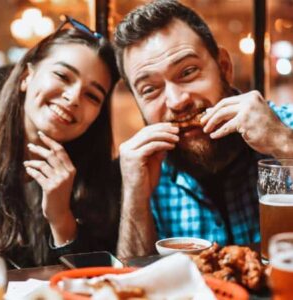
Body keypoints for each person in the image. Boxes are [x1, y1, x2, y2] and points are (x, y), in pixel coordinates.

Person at [113, 0, 293, 257]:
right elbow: (134, 288)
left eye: (188, 72)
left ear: (224, 67)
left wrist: (284, 144)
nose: (176, 101)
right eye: (150, 89)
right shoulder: (143, 170)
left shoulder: (286, 125)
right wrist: (135, 195)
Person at [0, 16, 120, 268]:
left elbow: (94, 283)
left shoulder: (101, 183)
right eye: (63, 75)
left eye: (92, 96)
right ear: (25, 78)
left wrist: (60, 216)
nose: (73, 98)